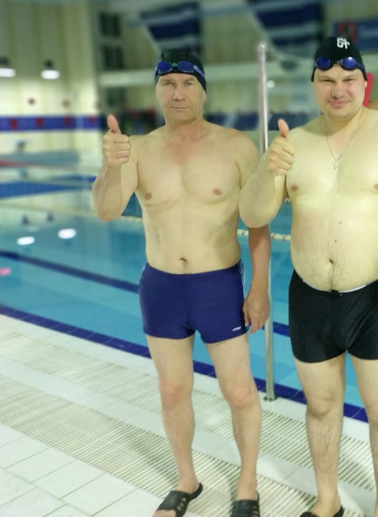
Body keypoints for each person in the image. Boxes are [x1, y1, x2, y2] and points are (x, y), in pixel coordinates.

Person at [239, 36, 378, 517]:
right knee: (321, 406)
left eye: (349, 79)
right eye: (326, 80)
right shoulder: (292, 143)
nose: (338, 89)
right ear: (313, 84)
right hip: (309, 296)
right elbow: (252, 215)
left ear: (365, 83)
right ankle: (327, 500)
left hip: (375, 299)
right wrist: (268, 171)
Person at [91, 49, 270, 517]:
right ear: (156, 92)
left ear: (203, 91)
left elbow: (258, 224)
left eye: (188, 83)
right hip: (162, 286)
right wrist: (111, 164)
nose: (178, 92)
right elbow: (106, 210)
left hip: (218, 286)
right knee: (172, 391)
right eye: (168, 83)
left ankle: (247, 484)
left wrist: (259, 288)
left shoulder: (236, 146)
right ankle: (186, 480)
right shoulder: (138, 149)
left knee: (239, 392)